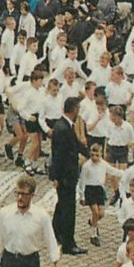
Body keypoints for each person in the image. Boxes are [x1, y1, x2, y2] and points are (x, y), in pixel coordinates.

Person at [50, 96, 91, 255]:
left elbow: (76, 144)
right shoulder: (63, 128)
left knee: (62, 205)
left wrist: (89, 153)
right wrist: (58, 177)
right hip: (66, 176)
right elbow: (59, 155)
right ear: (74, 110)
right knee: (68, 209)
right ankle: (68, 243)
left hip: (65, 175)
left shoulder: (64, 125)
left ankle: (56, 233)